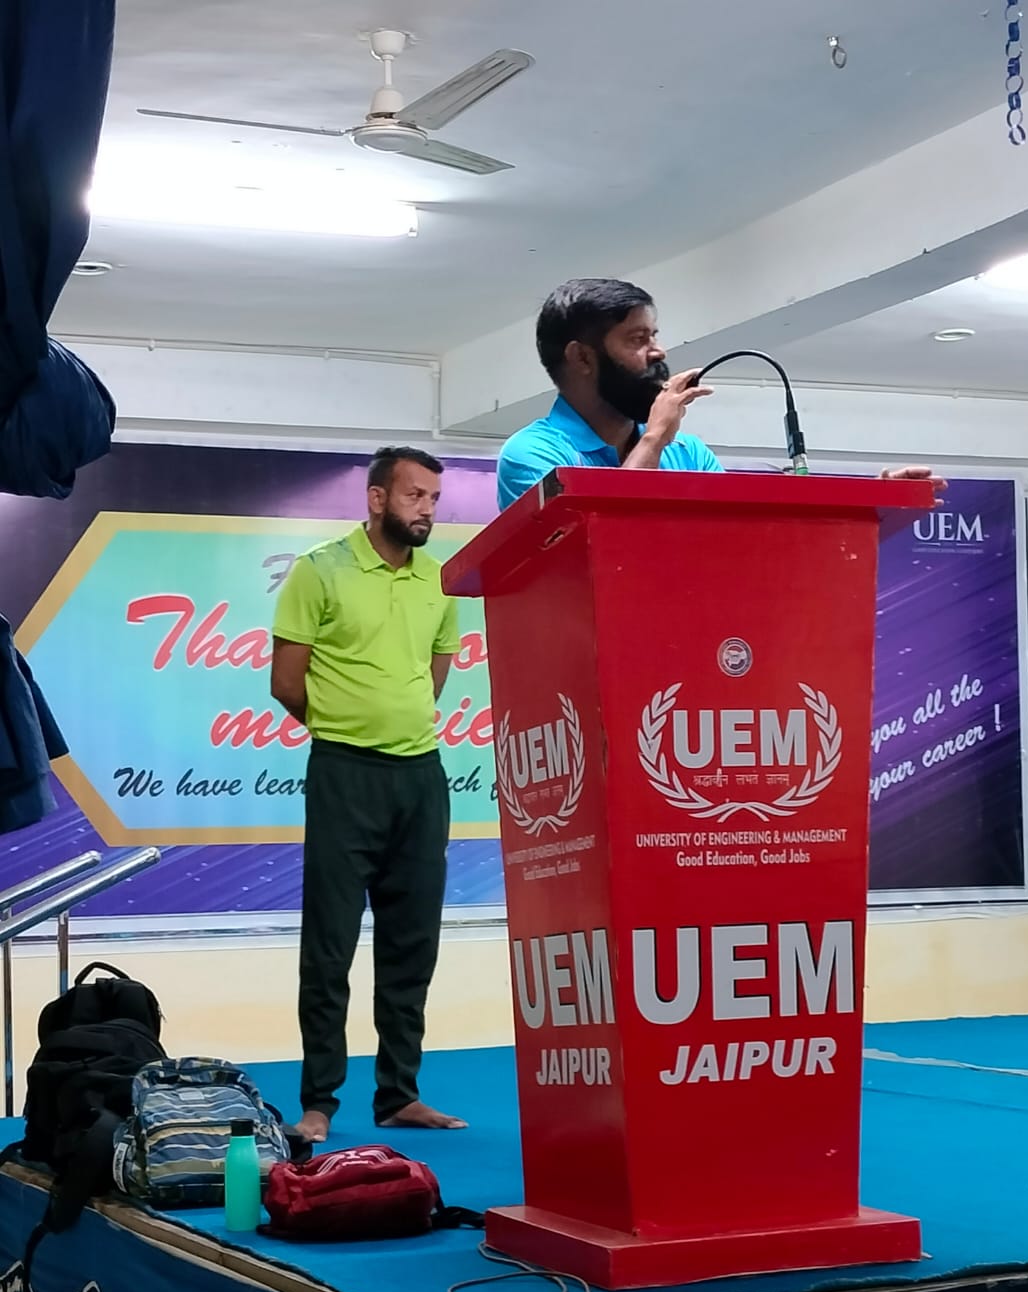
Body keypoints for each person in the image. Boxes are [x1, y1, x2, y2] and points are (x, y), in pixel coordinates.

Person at [271, 446, 465, 1143]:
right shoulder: (319, 570)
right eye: (414, 495)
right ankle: (319, 1101)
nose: (427, 509)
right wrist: (350, 728)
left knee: (413, 943)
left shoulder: (441, 578)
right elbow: (287, 683)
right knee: (330, 945)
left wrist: (396, 724)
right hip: (344, 773)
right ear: (378, 498)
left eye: (433, 498)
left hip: (421, 776)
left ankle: (399, 1094)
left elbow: (435, 672)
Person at [496, 277, 944, 510]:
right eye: (637, 339)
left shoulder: (688, 453)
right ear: (582, 357)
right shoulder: (533, 454)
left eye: (654, 336)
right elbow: (595, 546)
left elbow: (746, 537)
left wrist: (873, 502)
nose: (658, 352)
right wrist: (653, 440)